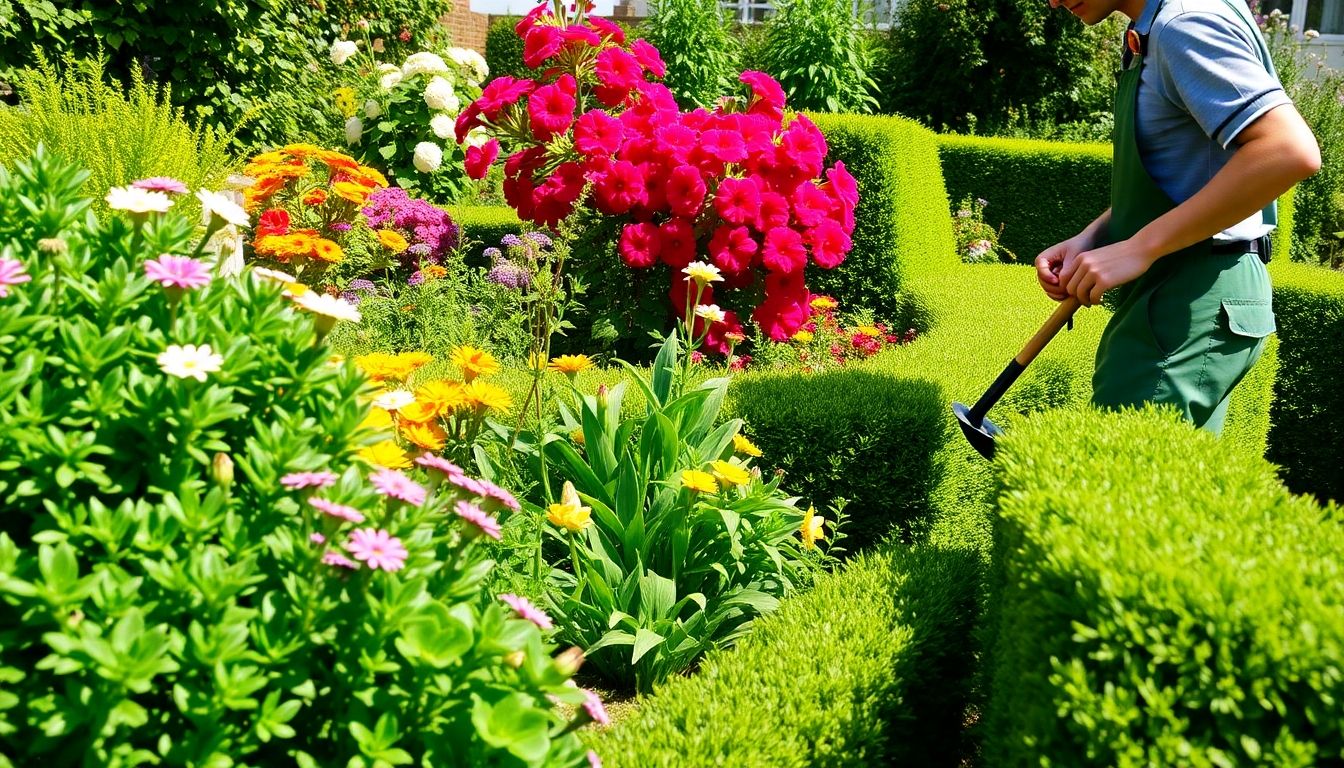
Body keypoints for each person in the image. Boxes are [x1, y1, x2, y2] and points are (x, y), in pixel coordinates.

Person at [1037, 0, 1321, 433]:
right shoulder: (1157, 27)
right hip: (1178, 292)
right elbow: (1188, 173)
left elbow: (1288, 151)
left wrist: (1140, 246)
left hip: (1192, 294)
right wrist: (1095, 236)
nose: (1053, 1)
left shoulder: (1185, 23)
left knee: (1124, 486)